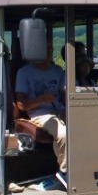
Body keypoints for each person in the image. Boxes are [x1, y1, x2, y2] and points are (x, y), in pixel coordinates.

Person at [15, 37, 68, 185]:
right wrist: (42, 100)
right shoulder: (24, 72)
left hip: (60, 111)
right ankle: (65, 172)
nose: (50, 52)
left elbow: (65, 98)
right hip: (39, 114)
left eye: (51, 49)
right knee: (63, 133)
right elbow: (21, 105)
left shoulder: (58, 71)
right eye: (46, 49)